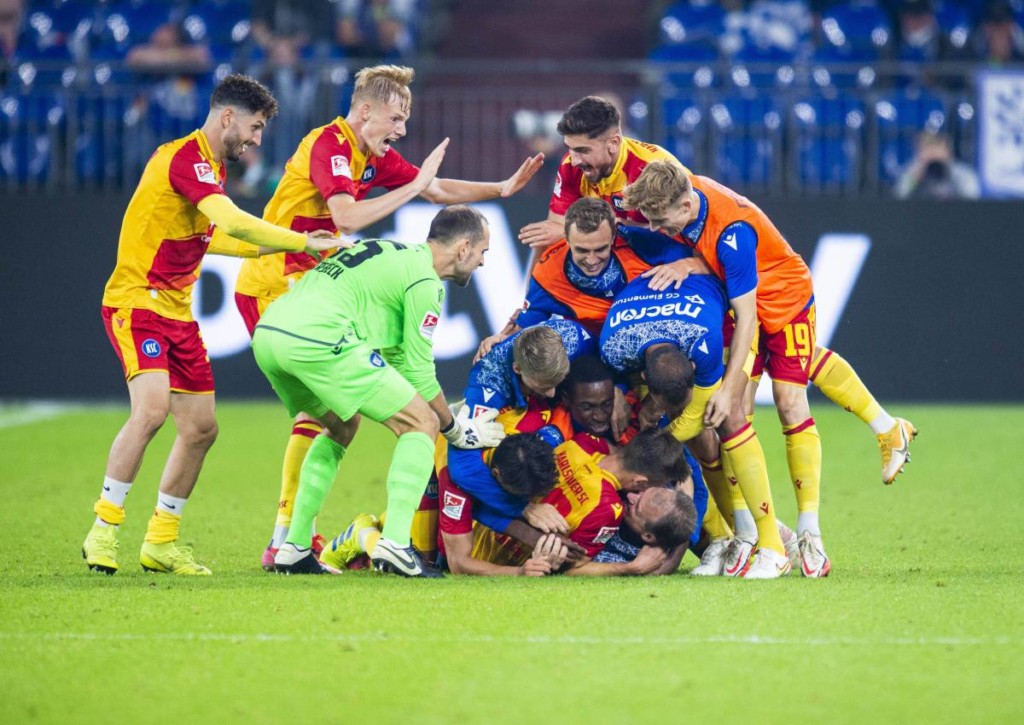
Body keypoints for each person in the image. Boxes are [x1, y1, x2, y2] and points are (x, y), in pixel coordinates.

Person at [234, 64, 545, 570]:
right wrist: (447, 424)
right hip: (278, 281)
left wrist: (501, 188)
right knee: (339, 419)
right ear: (365, 110)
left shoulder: (370, 158)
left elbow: (436, 191)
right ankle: (289, 535)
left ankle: (291, 542)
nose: (401, 130)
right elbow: (347, 217)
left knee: (338, 419)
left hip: (311, 293)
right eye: (396, 118)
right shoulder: (329, 145)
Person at [81, 74, 340, 576]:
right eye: (256, 126)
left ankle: (161, 540)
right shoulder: (184, 158)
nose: (257, 140)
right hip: (138, 303)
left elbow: (216, 239)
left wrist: (296, 242)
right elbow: (235, 222)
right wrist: (300, 240)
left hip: (177, 312)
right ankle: (104, 529)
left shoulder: (211, 170)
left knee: (201, 429)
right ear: (228, 117)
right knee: (152, 411)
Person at [253, 205, 505, 577]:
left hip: (270, 336)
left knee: (341, 425)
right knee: (422, 424)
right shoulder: (425, 282)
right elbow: (419, 373)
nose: (483, 262)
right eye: (483, 251)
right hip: (319, 338)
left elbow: (397, 358)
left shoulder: (390, 252)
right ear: (464, 247)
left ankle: (294, 545)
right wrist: (454, 427)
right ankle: (397, 544)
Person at [600, 271, 791, 578]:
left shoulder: (704, 341)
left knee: (727, 417)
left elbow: (703, 400)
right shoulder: (614, 346)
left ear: (692, 365)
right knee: (689, 436)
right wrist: (620, 391)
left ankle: (769, 543)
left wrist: (666, 438)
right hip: (660, 315)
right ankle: (734, 532)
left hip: (737, 326)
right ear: (646, 379)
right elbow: (618, 374)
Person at [439, 429, 697, 577]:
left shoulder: (581, 442)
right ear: (640, 482)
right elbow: (572, 567)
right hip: (496, 560)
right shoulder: (607, 509)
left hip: (472, 530)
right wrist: (628, 568)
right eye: (656, 485)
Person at [476, 197, 694, 358]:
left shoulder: (641, 244)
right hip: (595, 357)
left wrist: (687, 265)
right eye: (581, 250)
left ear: (613, 238)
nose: (591, 259)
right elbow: (528, 324)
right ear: (567, 241)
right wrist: (501, 340)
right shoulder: (547, 275)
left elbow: (700, 258)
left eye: (600, 249)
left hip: (652, 347)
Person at [517, 95, 689, 251]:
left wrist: (695, 264)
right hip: (615, 256)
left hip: (664, 258)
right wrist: (536, 285)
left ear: (613, 144)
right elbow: (552, 232)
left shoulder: (654, 167)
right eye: (570, 149)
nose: (574, 160)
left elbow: (693, 224)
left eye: (583, 150)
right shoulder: (571, 165)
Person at [894, 130, 981, 200]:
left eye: (936, 150)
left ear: (948, 153)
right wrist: (915, 177)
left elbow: (971, 200)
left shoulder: (963, 174)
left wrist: (947, 170)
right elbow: (899, 197)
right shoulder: (913, 171)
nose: (933, 155)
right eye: (928, 150)